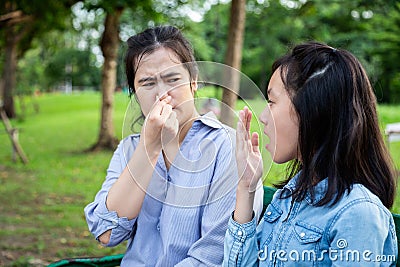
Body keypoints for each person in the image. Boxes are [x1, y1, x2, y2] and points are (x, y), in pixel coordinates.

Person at [84, 25, 264, 266]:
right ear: (135, 94)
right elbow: (107, 232)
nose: (162, 94)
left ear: (194, 82)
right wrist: (149, 148)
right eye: (147, 84)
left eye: (173, 79)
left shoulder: (228, 147)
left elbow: (212, 257)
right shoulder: (129, 149)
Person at [223, 41, 398, 266]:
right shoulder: (288, 197)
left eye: (272, 101)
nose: (263, 117)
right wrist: (246, 186)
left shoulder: (358, 215)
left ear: (312, 111)